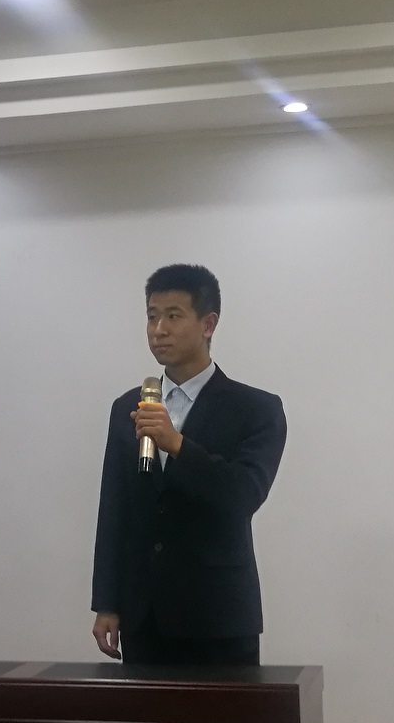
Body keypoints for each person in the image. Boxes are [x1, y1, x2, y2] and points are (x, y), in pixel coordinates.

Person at [91, 264, 286, 666]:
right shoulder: (128, 407)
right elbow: (115, 508)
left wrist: (178, 445)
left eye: (173, 316)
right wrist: (107, 602)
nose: (158, 330)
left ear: (208, 324)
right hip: (143, 616)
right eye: (151, 316)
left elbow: (244, 495)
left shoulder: (256, 409)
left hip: (218, 616)